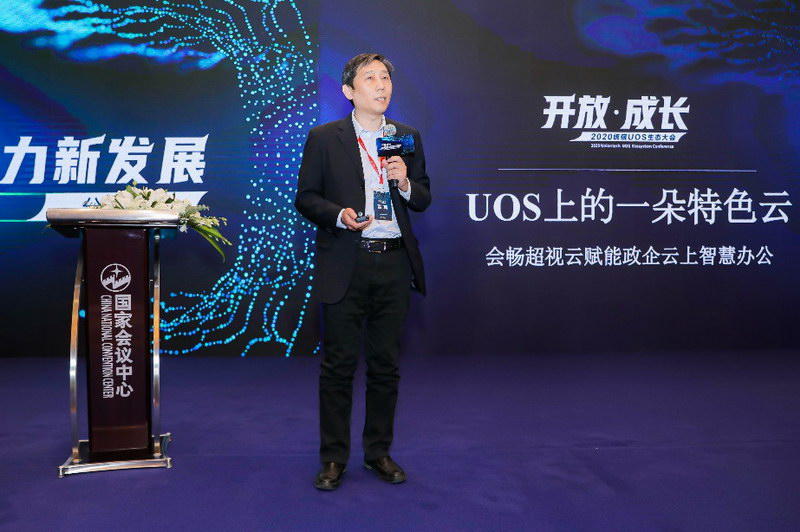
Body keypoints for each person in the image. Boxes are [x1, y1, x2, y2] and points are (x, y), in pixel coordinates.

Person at [295, 53, 431, 490]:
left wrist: (405, 182)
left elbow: (424, 197)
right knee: (338, 366)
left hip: (393, 262)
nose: (381, 84)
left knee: (385, 366)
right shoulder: (324, 138)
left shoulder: (405, 138)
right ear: (349, 91)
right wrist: (339, 215)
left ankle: (378, 453)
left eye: (385, 76)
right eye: (370, 77)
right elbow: (306, 197)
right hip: (346, 262)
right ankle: (334, 458)